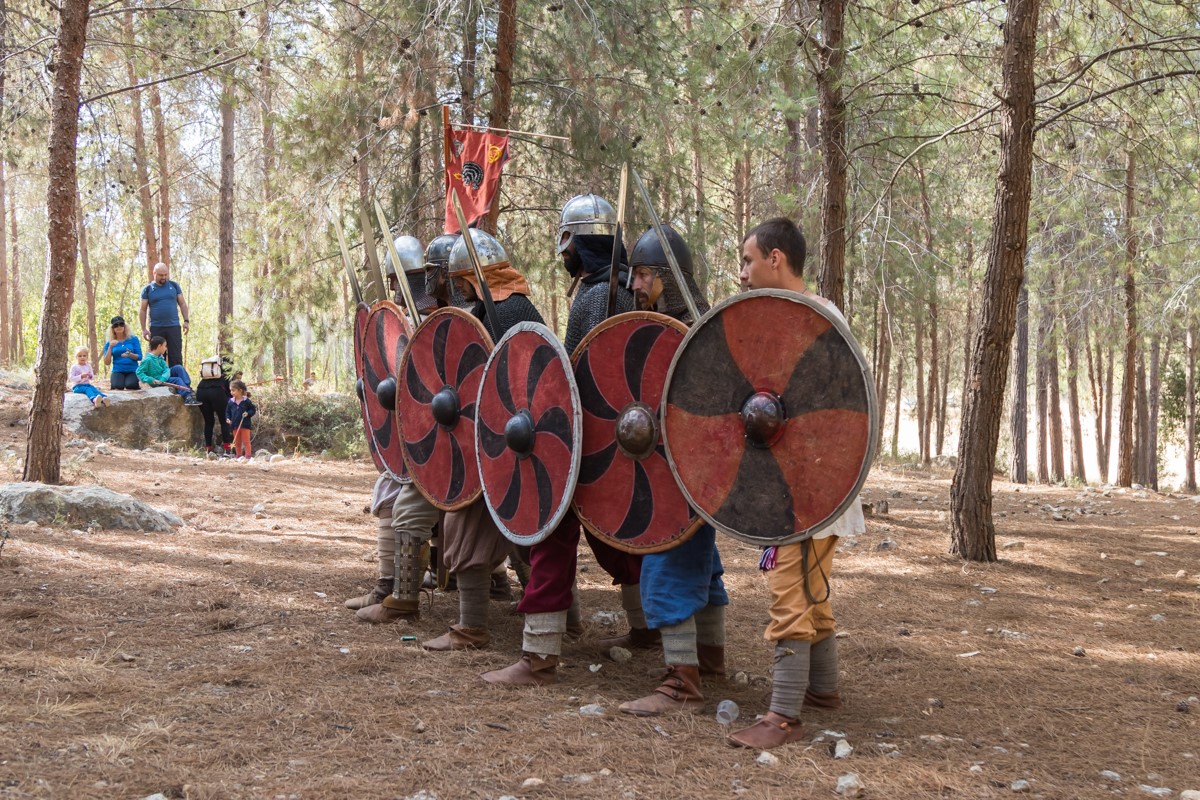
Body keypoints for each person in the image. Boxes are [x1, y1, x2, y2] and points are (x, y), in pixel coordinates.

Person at [482, 194, 646, 688]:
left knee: (553, 535)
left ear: (586, 240)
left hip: (593, 440)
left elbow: (594, 378)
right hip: (616, 441)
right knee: (619, 541)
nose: (562, 250)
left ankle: (539, 655)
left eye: (568, 239)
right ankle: (646, 630)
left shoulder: (602, 295)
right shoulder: (612, 289)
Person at [724, 217, 866, 750]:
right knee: (811, 591)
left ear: (776, 259)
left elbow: (837, 416)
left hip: (810, 491)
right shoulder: (787, 317)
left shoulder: (819, 320)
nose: (742, 273)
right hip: (795, 489)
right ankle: (823, 691)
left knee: (790, 591)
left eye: (748, 259)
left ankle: (783, 715)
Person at [617, 225, 730, 717]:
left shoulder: (697, 328)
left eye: (643, 275)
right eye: (634, 275)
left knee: (665, 560)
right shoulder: (667, 321)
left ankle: (682, 682)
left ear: (667, 275)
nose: (635, 285)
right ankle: (709, 659)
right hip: (679, 469)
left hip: (691, 469)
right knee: (703, 564)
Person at [415, 229, 530, 650]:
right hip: (522, 438)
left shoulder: (494, 313)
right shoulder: (519, 304)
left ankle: (470, 626)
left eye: (462, 283)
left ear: (472, 278)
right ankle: (566, 621)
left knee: (464, 524)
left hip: (495, 439)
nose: (460, 291)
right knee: (528, 534)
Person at [349, 235, 445, 626]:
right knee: (390, 492)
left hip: (439, 436)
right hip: (415, 434)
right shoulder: (409, 318)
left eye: (395, 280)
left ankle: (400, 596)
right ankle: (388, 587)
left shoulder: (434, 318)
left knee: (406, 506)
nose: (392, 289)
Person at [139, 262, 190, 367]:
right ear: (154, 273)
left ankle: (177, 380)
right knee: (157, 356)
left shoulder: (174, 286)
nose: (164, 277)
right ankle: (159, 382)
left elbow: (183, 304)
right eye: (161, 275)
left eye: (166, 274)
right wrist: (144, 329)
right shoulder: (148, 289)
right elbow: (143, 310)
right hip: (156, 327)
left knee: (175, 355)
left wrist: (186, 320)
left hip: (173, 326)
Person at [136, 335, 201, 406]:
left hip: (163, 377)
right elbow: (139, 372)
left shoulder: (159, 357)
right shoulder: (147, 359)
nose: (166, 348)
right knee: (177, 380)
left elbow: (166, 369)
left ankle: (187, 388)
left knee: (178, 367)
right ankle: (188, 397)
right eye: (165, 346)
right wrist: (150, 379)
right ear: (159, 346)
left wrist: (163, 377)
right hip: (157, 381)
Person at [197, 355, 233, 457]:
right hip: (218, 393)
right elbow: (231, 393)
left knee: (208, 422)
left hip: (201, 391)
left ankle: (208, 449)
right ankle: (227, 450)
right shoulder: (225, 376)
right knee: (224, 421)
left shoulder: (207, 375)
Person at [101, 316, 142, 390]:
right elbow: (107, 362)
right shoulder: (109, 342)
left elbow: (139, 357)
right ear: (112, 328)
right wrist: (110, 348)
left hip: (132, 370)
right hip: (118, 370)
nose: (119, 327)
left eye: (121, 324)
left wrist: (130, 354)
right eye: (116, 325)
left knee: (130, 385)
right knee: (117, 386)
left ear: (125, 326)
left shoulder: (133, 339)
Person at [225, 379, 256, 460]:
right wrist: (228, 418)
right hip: (234, 424)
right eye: (230, 390)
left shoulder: (246, 401)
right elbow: (227, 412)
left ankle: (248, 456)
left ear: (240, 390)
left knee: (246, 441)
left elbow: (253, 409)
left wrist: (248, 413)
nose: (231, 392)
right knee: (237, 442)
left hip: (245, 424)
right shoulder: (230, 402)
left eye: (233, 390)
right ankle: (238, 455)